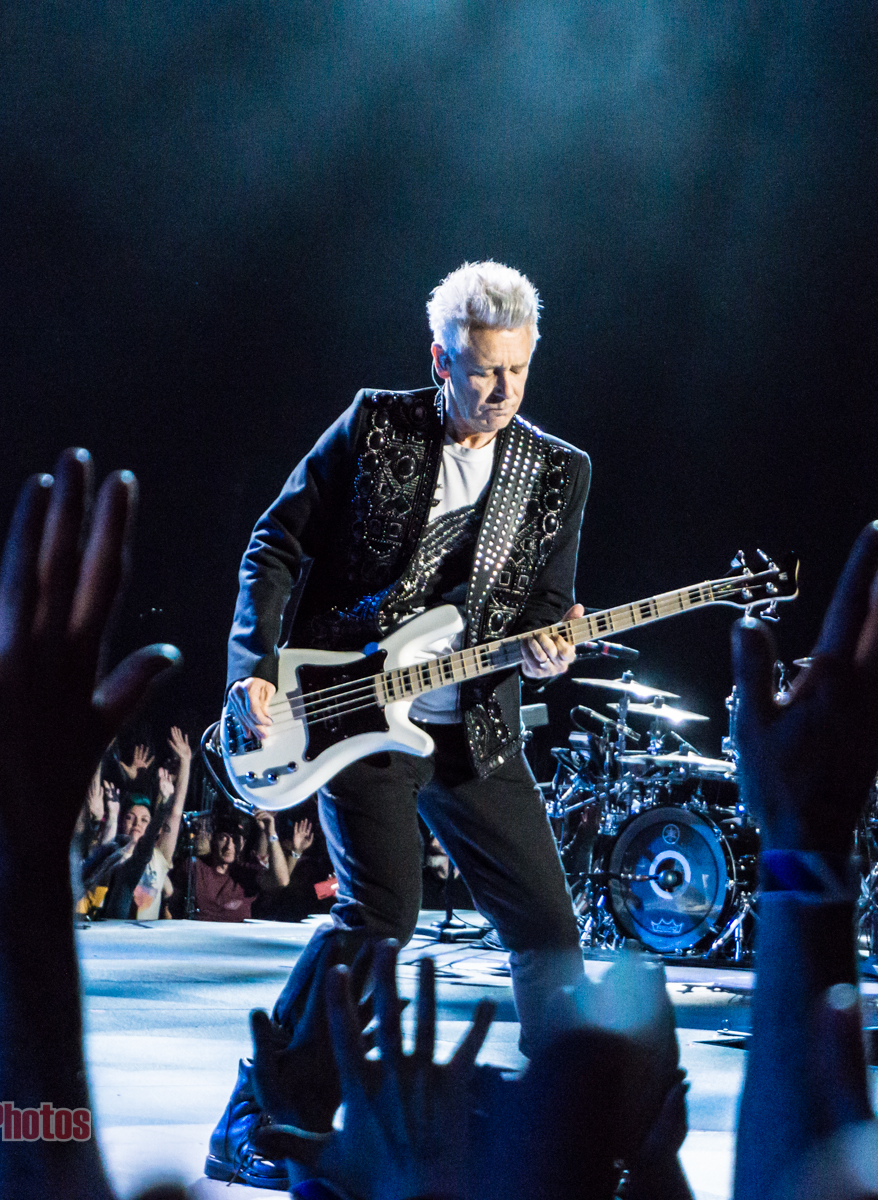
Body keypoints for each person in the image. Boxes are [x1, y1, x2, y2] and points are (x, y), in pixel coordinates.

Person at [211, 260, 591, 1188]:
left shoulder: (559, 471)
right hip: (351, 709)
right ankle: (260, 1115)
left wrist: (550, 649)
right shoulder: (375, 424)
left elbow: (548, 605)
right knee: (381, 914)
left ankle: (570, 1128)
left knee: (548, 928)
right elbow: (276, 541)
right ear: (440, 359)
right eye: (483, 369)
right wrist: (252, 669)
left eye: (518, 369)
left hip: (474, 727)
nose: (502, 390)